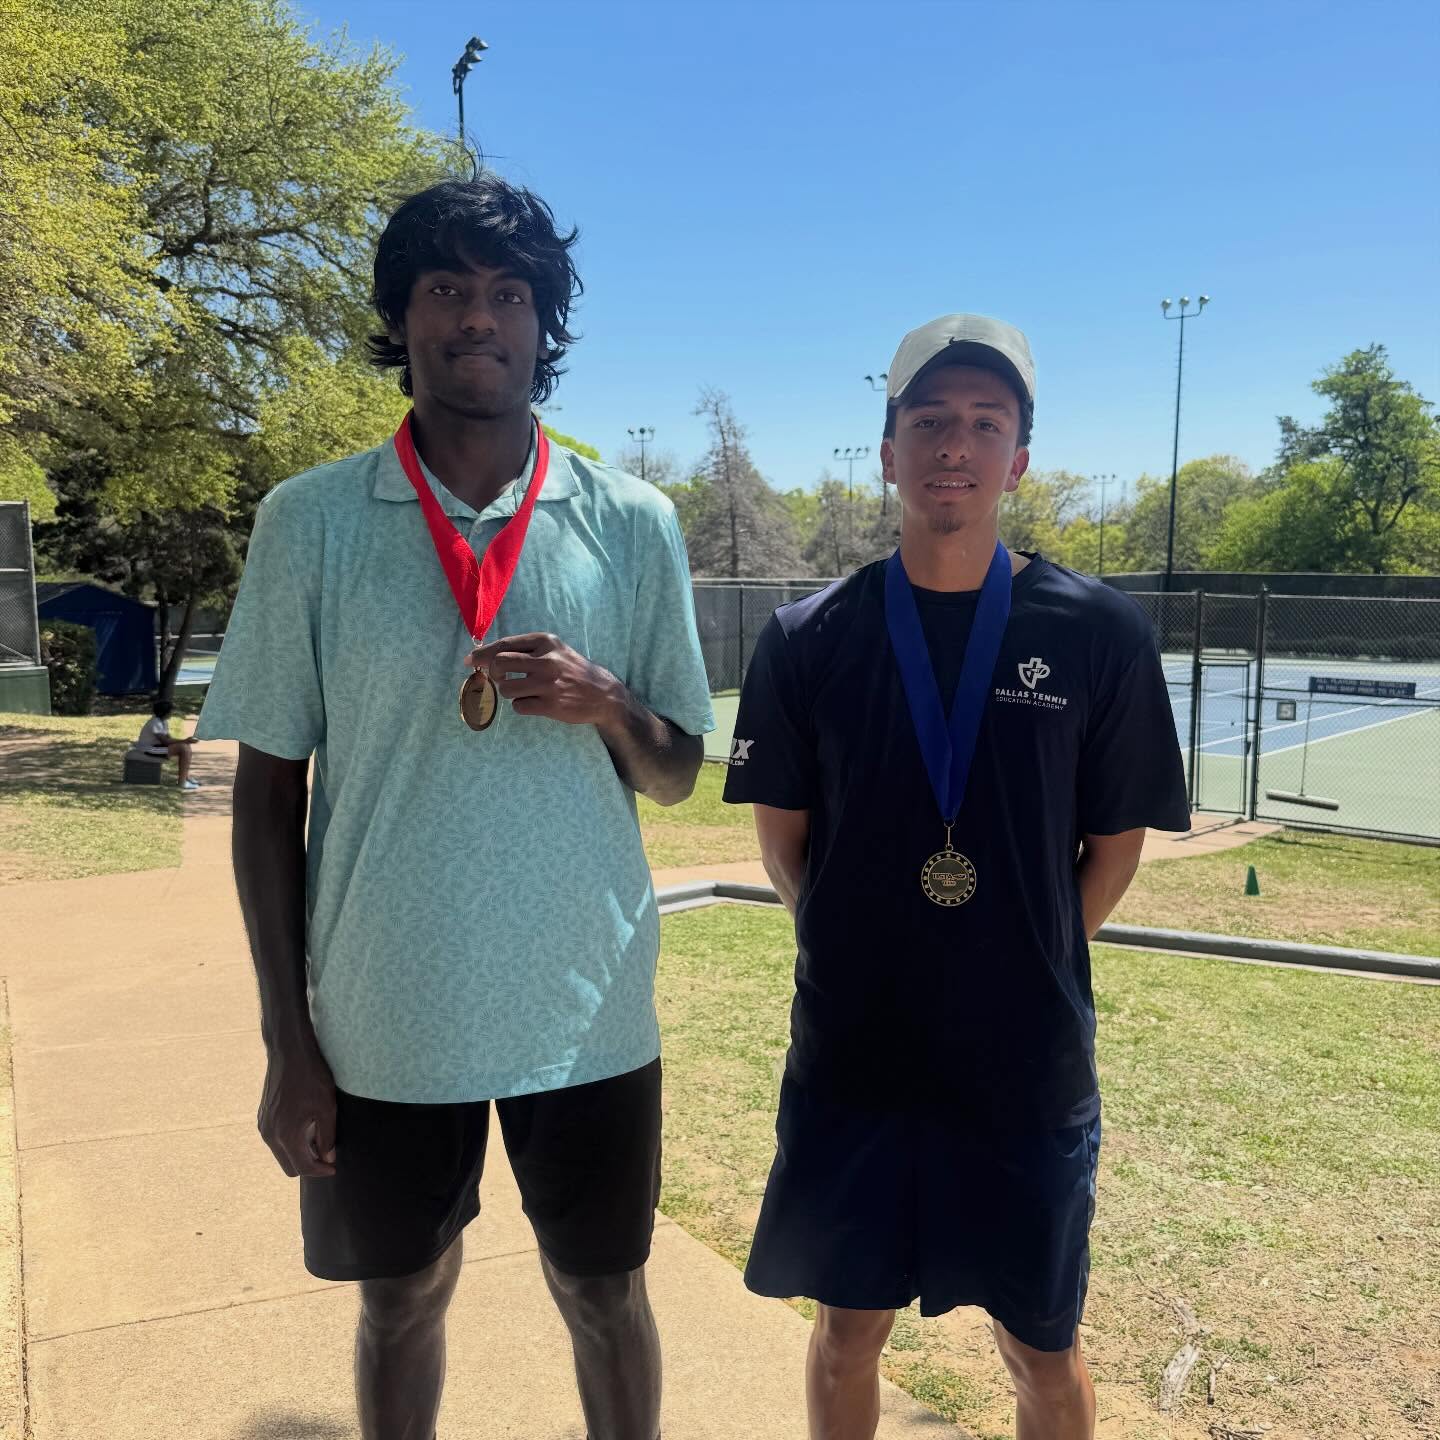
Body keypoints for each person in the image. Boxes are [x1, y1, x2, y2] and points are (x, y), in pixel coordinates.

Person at [195, 176, 713, 1440]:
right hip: (384, 1011)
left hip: (583, 1008)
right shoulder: (309, 521)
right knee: (400, 1299)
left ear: (545, 327)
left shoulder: (629, 522)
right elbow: (267, 795)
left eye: (508, 294)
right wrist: (289, 1041)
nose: (477, 317)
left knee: (605, 1292)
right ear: (401, 316)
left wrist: (609, 704)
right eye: (445, 289)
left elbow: (679, 770)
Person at [722, 314, 1191, 1440]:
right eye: (929, 420)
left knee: (1042, 1348)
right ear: (887, 451)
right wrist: (864, 939)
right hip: (858, 1057)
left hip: (1022, 1066)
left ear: (1017, 461)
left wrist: (1018, 956)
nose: (955, 445)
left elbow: (1114, 845)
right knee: (846, 1333)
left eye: (986, 424)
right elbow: (786, 844)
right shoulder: (807, 637)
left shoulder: (1098, 632)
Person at [136, 697, 200, 790]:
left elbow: (168, 738)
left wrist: (185, 742)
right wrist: (185, 740)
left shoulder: (163, 721)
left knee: (185, 746)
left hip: (156, 746)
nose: (172, 713)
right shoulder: (155, 723)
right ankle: (182, 783)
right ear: (165, 712)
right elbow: (165, 741)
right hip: (149, 749)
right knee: (183, 748)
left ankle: (185, 778)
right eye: (171, 711)